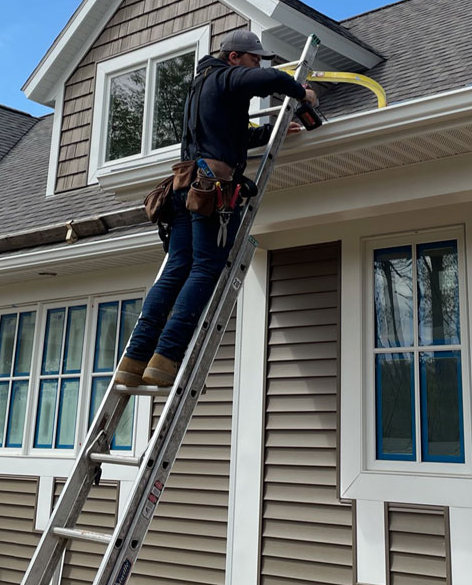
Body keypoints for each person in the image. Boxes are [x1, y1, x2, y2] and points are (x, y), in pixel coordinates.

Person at [115, 29, 319, 387]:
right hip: (210, 189)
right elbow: (271, 79)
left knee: (177, 268)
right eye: (253, 59)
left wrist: (272, 132)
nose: (256, 65)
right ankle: (166, 357)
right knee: (206, 267)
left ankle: (134, 359)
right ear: (233, 57)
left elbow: (228, 137)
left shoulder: (201, 86)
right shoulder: (225, 77)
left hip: (185, 186)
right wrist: (303, 93)